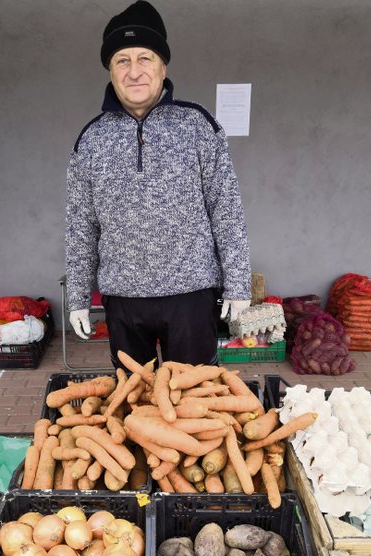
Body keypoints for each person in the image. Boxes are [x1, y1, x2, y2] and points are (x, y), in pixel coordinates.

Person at [66, 0, 251, 369]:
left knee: (198, 404)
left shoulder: (198, 125)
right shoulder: (90, 140)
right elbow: (80, 227)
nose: (134, 71)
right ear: (110, 70)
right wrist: (77, 297)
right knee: (136, 407)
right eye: (122, 60)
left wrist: (238, 283)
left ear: (162, 66)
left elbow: (226, 208)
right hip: (122, 300)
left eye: (145, 58)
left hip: (191, 296)